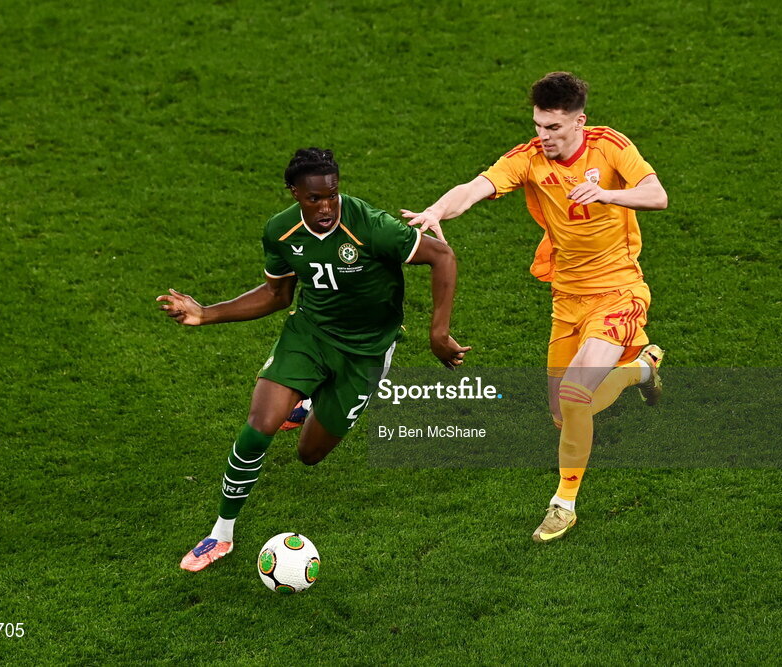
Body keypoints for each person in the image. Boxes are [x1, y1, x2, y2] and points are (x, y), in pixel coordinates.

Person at [158, 148, 469, 571]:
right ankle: (221, 533)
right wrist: (206, 313)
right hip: (310, 335)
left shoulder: (371, 226)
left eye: (332, 196)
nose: (325, 208)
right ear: (294, 193)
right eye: (314, 199)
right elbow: (277, 294)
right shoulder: (281, 231)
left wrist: (438, 333)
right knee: (259, 426)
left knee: (310, 454)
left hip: (366, 352)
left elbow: (442, 256)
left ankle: (309, 404)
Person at [402, 72, 668, 543]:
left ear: (579, 122)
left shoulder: (609, 146)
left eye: (554, 127)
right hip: (567, 298)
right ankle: (642, 369)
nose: (544, 136)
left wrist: (607, 193)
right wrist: (437, 211)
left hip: (619, 291)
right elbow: (474, 187)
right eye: (539, 125)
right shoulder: (529, 158)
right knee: (563, 415)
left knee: (576, 394)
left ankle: (564, 504)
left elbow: (656, 195)